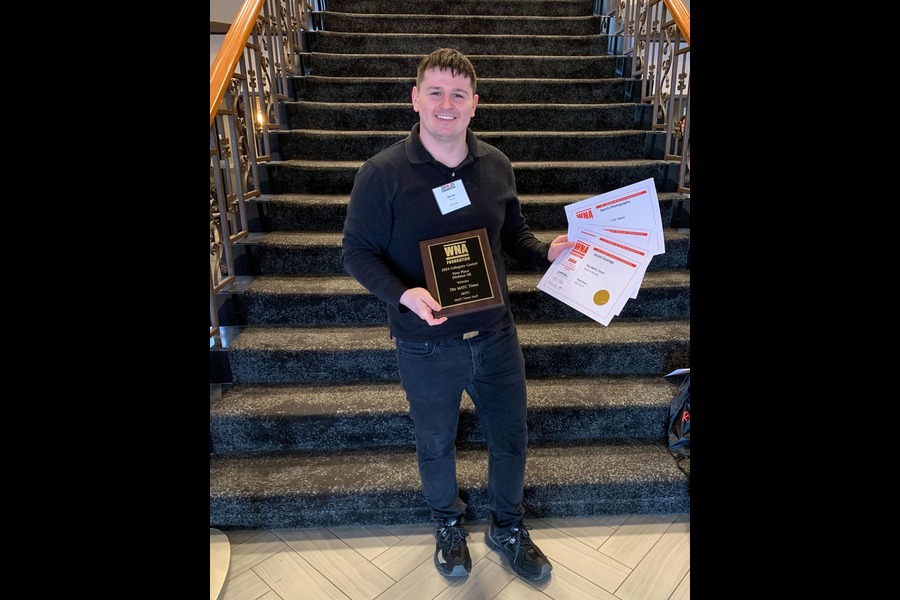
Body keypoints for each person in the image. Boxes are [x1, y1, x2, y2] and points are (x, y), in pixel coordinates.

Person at [341, 48, 574, 581]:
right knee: (435, 441)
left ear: (475, 105)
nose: (447, 105)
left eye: (459, 95)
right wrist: (404, 294)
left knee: (511, 436)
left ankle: (507, 526)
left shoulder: (496, 166)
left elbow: (511, 234)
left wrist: (545, 252)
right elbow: (356, 252)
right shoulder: (382, 174)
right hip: (425, 342)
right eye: (436, 92)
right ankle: (447, 523)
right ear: (415, 98)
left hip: (495, 335)